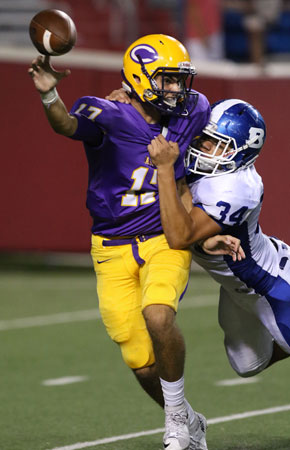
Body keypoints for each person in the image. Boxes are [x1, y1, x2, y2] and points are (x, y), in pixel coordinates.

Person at [28, 33, 224, 450]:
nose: (176, 89)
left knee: (158, 316)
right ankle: (188, 417)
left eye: (178, 80)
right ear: (137, 79)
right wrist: (49, 96)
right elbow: (66, 124)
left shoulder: (194, 109)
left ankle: (174, 423)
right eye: (166, 80)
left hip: (163, 238)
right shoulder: (108, 115)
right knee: (138, 359)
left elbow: (199, 163)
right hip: (111, 245)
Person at [147, 98, 290, 382]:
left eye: (216, 143)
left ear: (240, 152)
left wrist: (166, 170)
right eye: (204, 137)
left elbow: (179, 235)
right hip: (236, 286)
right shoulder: (203, 166)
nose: (203, 146)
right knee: (247, 364)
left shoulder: (237, 188)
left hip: (274, 285)